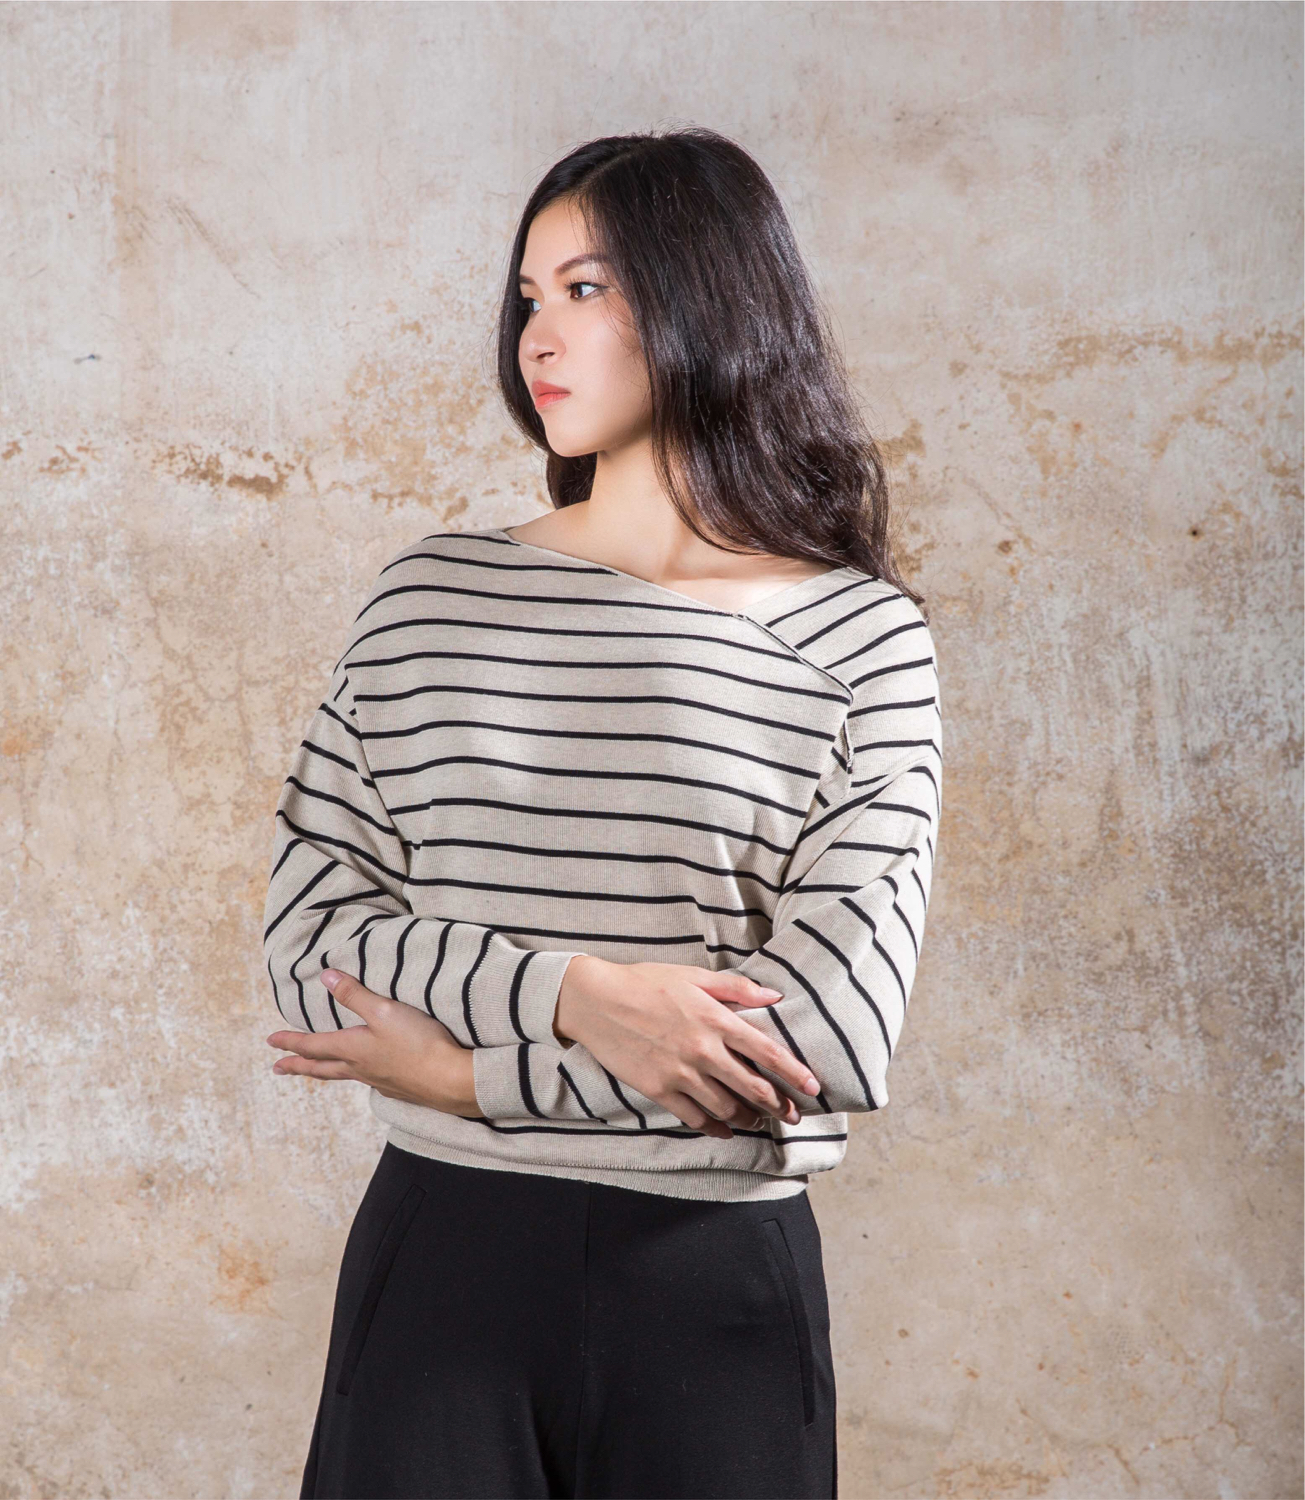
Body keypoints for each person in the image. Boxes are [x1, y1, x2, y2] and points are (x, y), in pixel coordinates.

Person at [263, 126, 942, 1500]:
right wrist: (584, 997)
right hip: (440, 1268)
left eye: (587, 289)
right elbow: (309, 944)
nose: (538, 335)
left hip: (714, 1290)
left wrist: (473, 1080)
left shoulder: (861, 639)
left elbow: (824, 1042)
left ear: (708, 301)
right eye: (529, 295)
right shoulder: (430, 596)